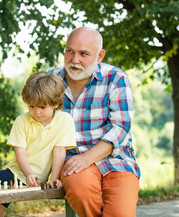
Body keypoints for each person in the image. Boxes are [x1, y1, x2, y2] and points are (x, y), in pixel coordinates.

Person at [49, 27, 141, 217]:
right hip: (72, 161)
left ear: (100, 56)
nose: (75, 60)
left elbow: (120, 129)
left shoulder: (116, 78)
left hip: (116, 159)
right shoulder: (51, 80)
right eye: (69, 51)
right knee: (81, 192)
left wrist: (87, 158)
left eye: (84, 54)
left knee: (121, 213)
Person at [0, 71, 76, 217]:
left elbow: (59, 151)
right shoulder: (22, 121)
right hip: (17, 173)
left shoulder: (65, 120)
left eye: (42, 107)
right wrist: (29, 173)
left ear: (56, 104)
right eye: (31, 106)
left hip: (37, 179)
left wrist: (54, 178)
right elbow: (19, 151)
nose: (36, 112)